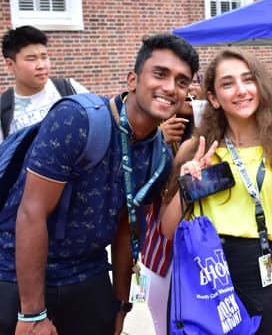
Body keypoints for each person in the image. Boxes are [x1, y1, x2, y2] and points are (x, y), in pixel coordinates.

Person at [0, 33, 199, 335]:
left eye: (182, 81)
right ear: (132, 80)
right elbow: (32, 212)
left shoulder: (158, 154)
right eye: (160, 74)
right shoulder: (76, 119)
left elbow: (125, 229)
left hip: (87, 273)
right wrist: (31, 314)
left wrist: (121, 305)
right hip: (17, 271)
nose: (170, 87)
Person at [160, 48, 272, 335]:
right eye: (227, 83)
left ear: (261, 87)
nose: (241, 90)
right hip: (203, 267)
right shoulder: (195, 149)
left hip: (258, 267)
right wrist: (186, 186)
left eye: (248, 79)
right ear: (213, 98)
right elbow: (168, 230)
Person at [139, 70, 204, 335]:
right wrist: (158, 142)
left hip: (203, 250)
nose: (189, 91)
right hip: (162, 250)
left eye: (194, 83)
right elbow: (140, 191)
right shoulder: (149, 131)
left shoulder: (212, 132)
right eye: (182, 85)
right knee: (165, 325)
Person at [1, 25, 88, 142]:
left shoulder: (70, 88)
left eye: (44, 57)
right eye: (31, 59)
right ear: (10, 65)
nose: (41, 65)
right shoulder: (4, 109)